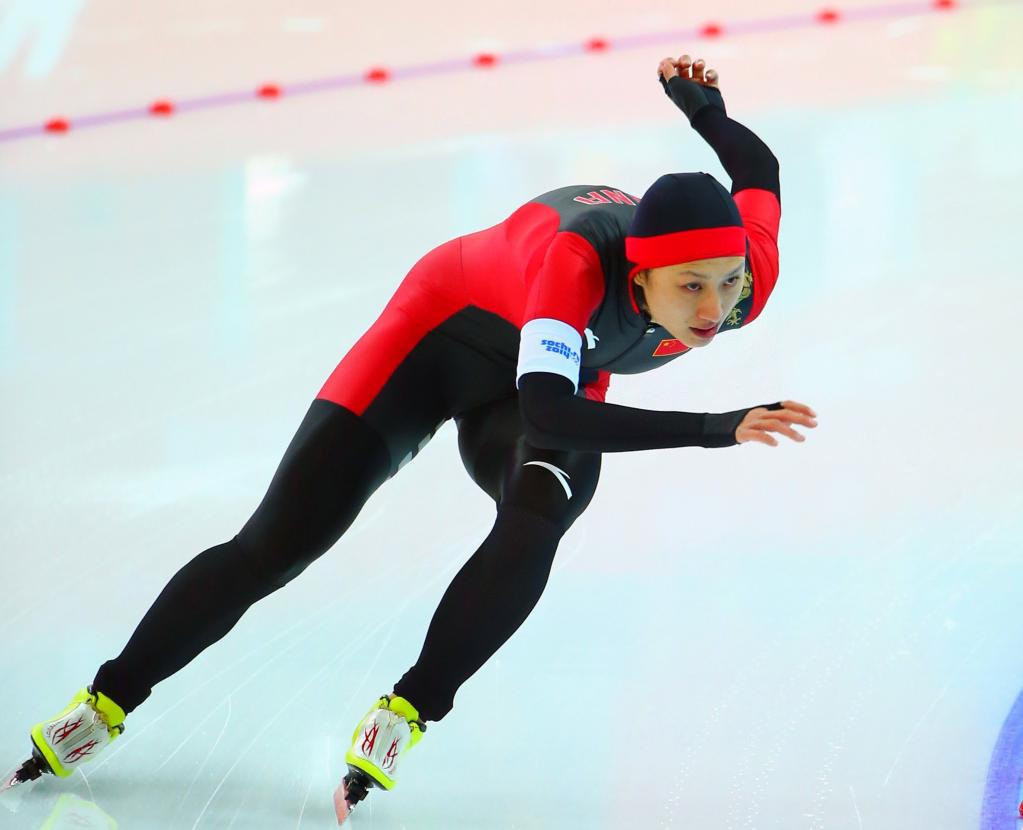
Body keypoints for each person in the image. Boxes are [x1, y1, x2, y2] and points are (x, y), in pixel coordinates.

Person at [10, 52, 817, 818]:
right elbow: (548, 411)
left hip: (554, 369)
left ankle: (408, 710)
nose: (713, 308)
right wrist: (714, 428)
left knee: (537, 519)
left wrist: (707, 113)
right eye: (690, 286)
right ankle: (106, 700)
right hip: (441, 336)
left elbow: (759, 172)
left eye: (726, 284)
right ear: (639, 275)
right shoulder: (575, 263)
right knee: (279, 542)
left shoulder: (744, 280)